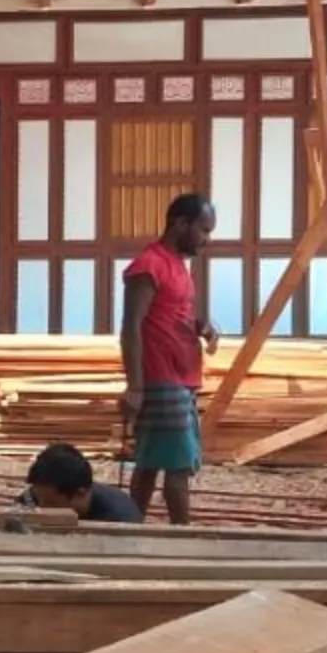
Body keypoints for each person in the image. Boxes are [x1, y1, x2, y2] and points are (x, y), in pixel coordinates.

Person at [119, 193, 219, 526]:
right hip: (162, 380)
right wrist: (135, 386)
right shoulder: (149, 265)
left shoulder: (177, 266)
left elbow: (169, 316)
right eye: (203, 230)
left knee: (148, 463)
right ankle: (183, 536)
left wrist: (199, 326)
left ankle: (129, 527)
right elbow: (131, 328)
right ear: (181, 223)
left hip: (180, 378)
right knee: (177, 467)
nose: (206, 240)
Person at [23, 442, 143, 524]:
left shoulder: (120, 519)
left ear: (81, 493)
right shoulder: (37, 496)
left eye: (51, 503)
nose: (41, 508)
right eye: (39, 500)